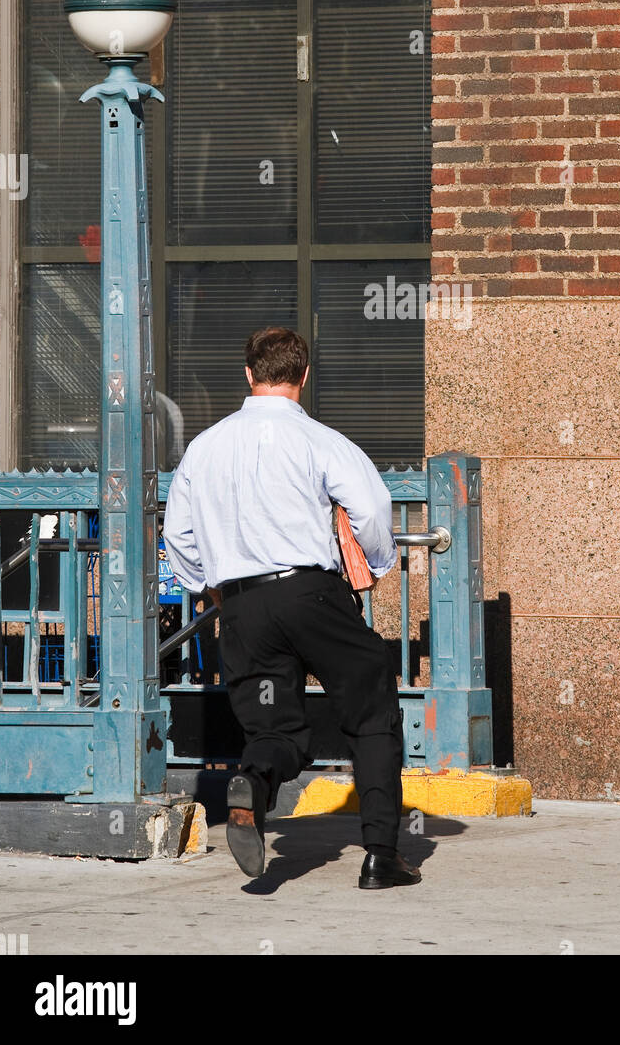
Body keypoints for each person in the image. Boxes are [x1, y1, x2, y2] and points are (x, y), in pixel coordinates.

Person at [162, 326, 420, 889]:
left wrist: (207, 585)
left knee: (276, 728)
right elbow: (373, 508)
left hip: (245, 607)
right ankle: (381, 856)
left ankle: (252, 784)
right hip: (312, 595)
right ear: (304, 376)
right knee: (371, 709)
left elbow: (177, 533)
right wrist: (374, 565)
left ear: (248, 375)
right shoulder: (321, 441)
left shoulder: (204, 447)